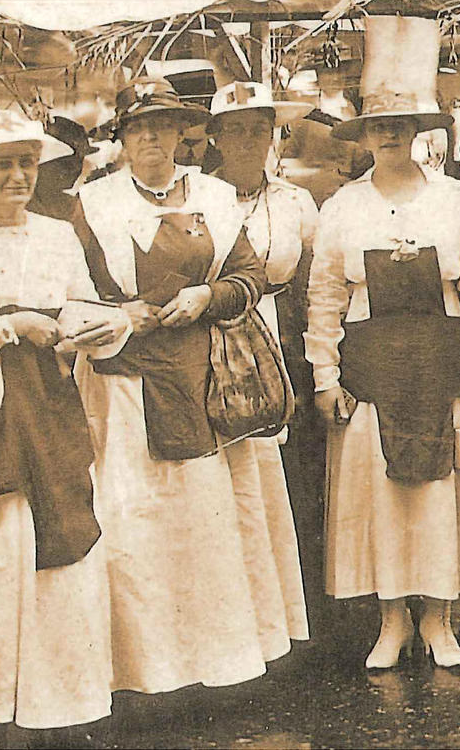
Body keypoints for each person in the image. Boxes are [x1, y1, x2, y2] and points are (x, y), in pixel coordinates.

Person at [304, 16, 460, 670]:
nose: (390, 133)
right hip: (373, 371)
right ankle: (391, 618)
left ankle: (438, 618)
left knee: (438, 496)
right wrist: (325, 376)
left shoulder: (453, 201)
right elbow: (326, 297)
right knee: (383, 499)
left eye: (402, 122)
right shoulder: (343, 206)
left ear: (421, 129)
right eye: (378, 124)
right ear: (363, 133)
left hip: (438, 362)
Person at [0, 109, 129, 733]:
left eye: (27, 163)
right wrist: (11, 326)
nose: (17, 175)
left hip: (51, 404)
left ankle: (59, 702)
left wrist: (96, 327)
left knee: (60, 545)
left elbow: (87, 310)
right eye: (3, 164)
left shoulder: (57, 235)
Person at [72, 78, 279, 693]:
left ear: (181, 132)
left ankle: (215, 668)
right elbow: (72, 293)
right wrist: (120, 315)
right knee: (136, 524)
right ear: (124, 136)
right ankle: (144, 672)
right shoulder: (95, 202)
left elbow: (251, 278)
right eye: (140, 128)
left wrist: (207, 295)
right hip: (125, 386)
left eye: (163, 127)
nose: (152, 139)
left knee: (204, 524)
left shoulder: (215, 197)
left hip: (205, 380)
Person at [205, 79, 314, 659]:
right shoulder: (198, 196)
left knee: (289, 482)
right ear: (216, 137)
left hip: (281, 340)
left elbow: (317, 282)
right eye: (237, 129)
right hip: (220, 344)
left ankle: (296, 620)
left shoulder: (297, 201)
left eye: (260, 129)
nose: (249, 140)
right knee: (235, 485)